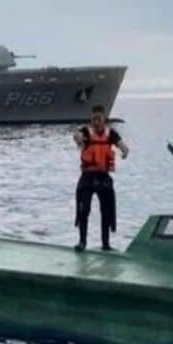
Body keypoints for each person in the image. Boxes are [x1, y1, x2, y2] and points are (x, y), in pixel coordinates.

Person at [72, 104, 130, 251]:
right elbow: (77, 135)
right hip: (87, 177)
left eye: (99, 119)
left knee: (107, 210)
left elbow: (122, 146)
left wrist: (124, 151)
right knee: (83, 210)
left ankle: (106, 243)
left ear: (104, 119)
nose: (96, 122)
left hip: (103, 176)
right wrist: (78, 138)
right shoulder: (85, 131)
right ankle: (82, 241)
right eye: (94, 119)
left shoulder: (111, 134)